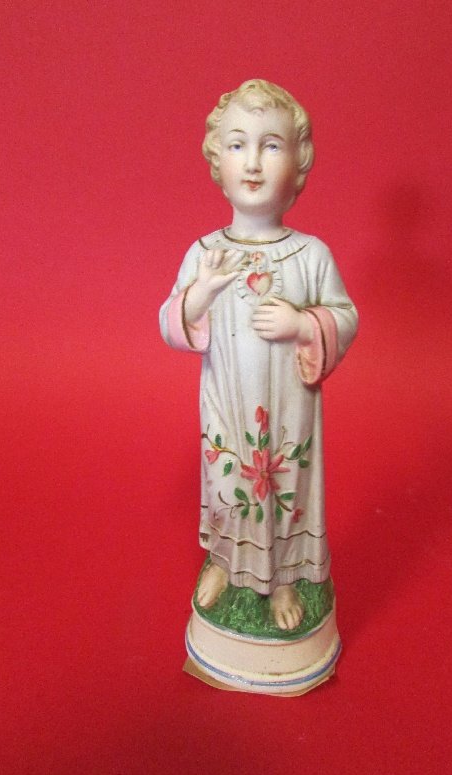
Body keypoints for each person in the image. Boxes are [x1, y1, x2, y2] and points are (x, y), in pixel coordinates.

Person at [160, 79, 358, 631]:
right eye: (237, 144)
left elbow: (345, 316)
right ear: (216, 160)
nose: (252, 162)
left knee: (286, 487)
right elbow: (169, 322)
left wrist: (303, 324)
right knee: (227, 481)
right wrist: (200, 294)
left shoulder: (310, 255)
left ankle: (285, 579)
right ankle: (225, 562)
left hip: (289, 411)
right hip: (226, 404)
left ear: (299, 163)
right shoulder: (206, 252)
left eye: (271, 146)